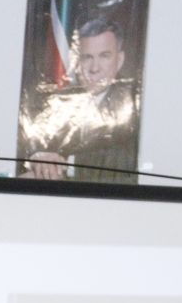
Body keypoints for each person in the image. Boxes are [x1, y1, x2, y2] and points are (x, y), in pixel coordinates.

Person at [21, 16, 141, 183]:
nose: (94, 68)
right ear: (77, 61)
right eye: (87, 57)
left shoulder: (133, 104)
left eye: (104, 56)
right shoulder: (59, 99)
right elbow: (31, 139)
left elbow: (123, 161)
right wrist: (39, 155)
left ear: (119, 60)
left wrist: (65, 164)